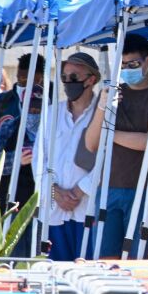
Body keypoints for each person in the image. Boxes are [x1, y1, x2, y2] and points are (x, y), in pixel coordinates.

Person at [81, 34, 148, 258]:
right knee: (104, 259)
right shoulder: (112, 93)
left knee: (135, 258)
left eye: (133, 64)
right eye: (122, 65)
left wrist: (110, 134)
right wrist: (103, 106)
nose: (127, 69)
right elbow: (91, 144)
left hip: (145, 189)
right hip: (108, 187)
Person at [0, 53, 45, 257]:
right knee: (12, 249)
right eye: (22, 79)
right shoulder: (4, 104)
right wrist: (15, 160)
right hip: (8, 193)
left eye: (33, 80)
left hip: (40, 193)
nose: (26, 85)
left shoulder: (50, 101)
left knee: (37, 250)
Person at [44, 53, 99, 261]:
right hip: (54, 209)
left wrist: (80, 189)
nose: (68, 82)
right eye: (64, 77)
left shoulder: (103, 114)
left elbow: (108, 161)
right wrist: (54, 191)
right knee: (55, 273)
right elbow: (40, 159)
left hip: (87, 208)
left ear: (91, 79)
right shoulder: (51, 113)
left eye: (74, 77)